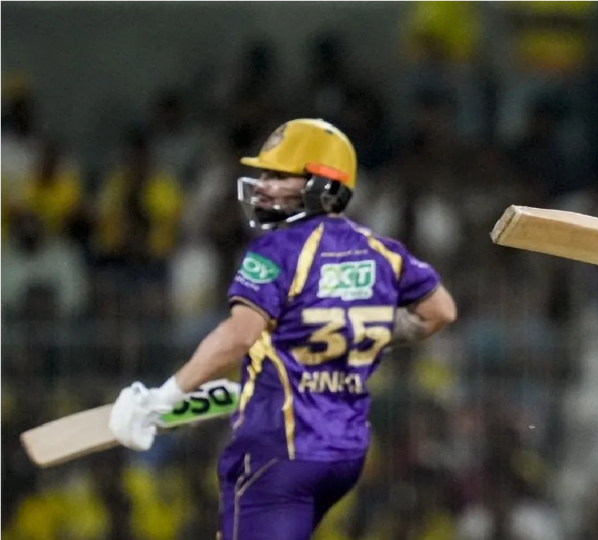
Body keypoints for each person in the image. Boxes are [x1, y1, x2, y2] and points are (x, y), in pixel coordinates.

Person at [107, 118, 458, 540]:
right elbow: (440, 311)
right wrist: (359, 335)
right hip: (344, 454)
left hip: (282, 451)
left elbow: (239, 335)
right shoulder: (383, 251)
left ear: (322, 184)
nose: (263, 186)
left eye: (277, 176)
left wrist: (164, 397)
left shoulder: (278, 249)